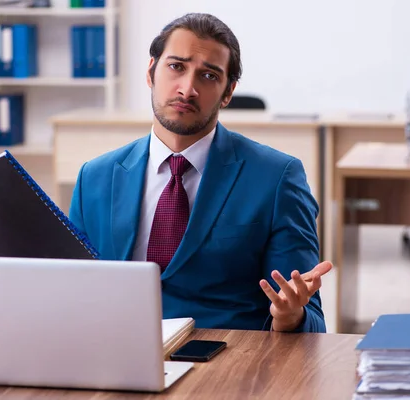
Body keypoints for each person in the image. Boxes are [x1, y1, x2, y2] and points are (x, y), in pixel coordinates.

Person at [69, 13, 332, 333]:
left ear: (228, 92)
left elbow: (313, 323)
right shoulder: (95, 177)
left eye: (208, 76)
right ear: (151, 72)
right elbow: (75, 296)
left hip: (226, 363)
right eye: (176, 67)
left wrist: (290, 316)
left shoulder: (277, 178)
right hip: (118, 355)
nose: (188, 88)